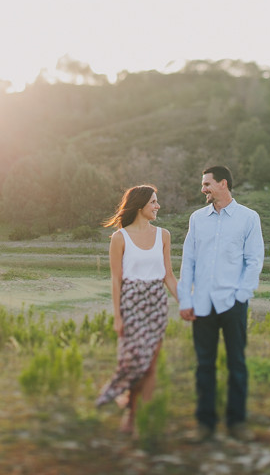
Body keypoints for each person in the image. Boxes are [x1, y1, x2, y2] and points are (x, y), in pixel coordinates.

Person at [178, 165, 264, 442]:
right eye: (203, 184)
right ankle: (205, 424)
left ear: (223, 184)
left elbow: (254, 261)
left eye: (207, 184)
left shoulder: (248, 218)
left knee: (237, 363)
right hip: (202, 304)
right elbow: (188, 261)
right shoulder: (196, 219)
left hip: (232, 303)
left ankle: (237, 422)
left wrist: (241, 297)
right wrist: (185, 299)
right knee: (205, 365)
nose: (203, 189)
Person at [96, 185, 179, 434]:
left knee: (151, 363)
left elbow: (169, 276)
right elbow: (116, 280)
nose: (158, 206)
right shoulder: (120, 238)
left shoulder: (163, 235)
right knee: (133, 362)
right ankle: (129, 410)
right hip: (131, 301)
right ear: (140, 205)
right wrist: (118, 317)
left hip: (156, 301)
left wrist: (186, 303)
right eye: (153, 202)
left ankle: (143, 414)